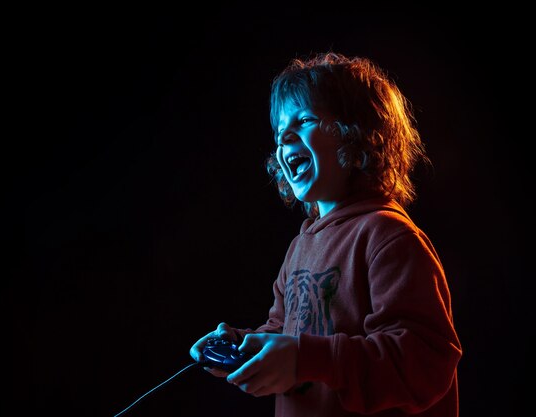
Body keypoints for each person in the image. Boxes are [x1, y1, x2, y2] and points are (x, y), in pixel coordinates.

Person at [190, 52, 462, 417]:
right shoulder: (300, 246)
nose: (285, 137)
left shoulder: (389, 237)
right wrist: (242, 345)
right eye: (279, 131)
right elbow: (283, 330)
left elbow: (424, 361)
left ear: (358, 136)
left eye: (303, 121)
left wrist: (307, 358)